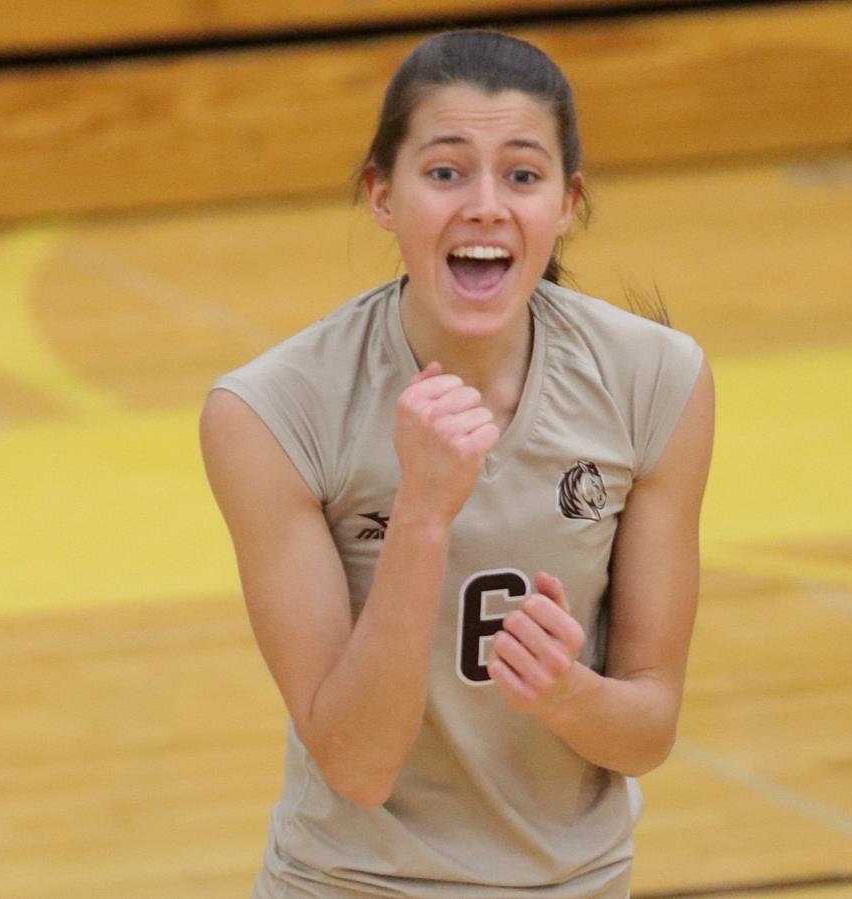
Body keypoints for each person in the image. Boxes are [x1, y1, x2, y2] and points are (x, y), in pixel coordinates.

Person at [200, 29, 714, 898]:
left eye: (521, 174)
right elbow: (358, 764)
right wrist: (422, 515)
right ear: (382, 196)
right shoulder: (271, 412)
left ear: (567, 204)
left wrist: (565, 693)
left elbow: (648, 730)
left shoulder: (655, 380)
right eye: (444, 172)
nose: (484, 205)